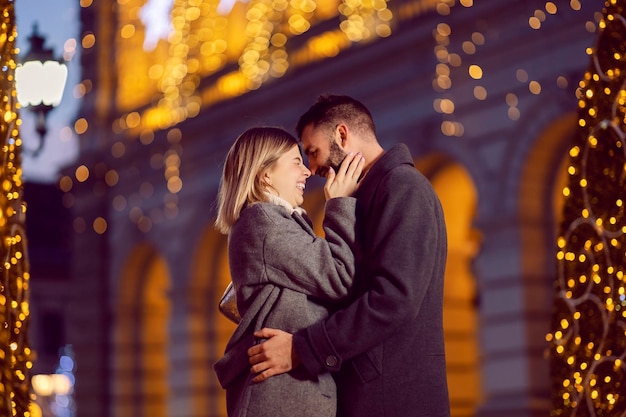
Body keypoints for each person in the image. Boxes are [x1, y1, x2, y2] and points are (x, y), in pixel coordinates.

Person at [247, 95, 451, 417]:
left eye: (313, 152)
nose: (312, 169)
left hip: (391, 400)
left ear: (342, 135)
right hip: (374, 393)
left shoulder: (402, 188)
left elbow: (393, 299)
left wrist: (303, 348)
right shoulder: (372, 193)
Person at [213, 126, 365, 417]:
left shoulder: (272, 221)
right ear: (265, 174)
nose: (307, 172)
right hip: (281, 398)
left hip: (285, 395)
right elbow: (339, 275)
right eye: (296, 162)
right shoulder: (264, 220)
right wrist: (339, 204)